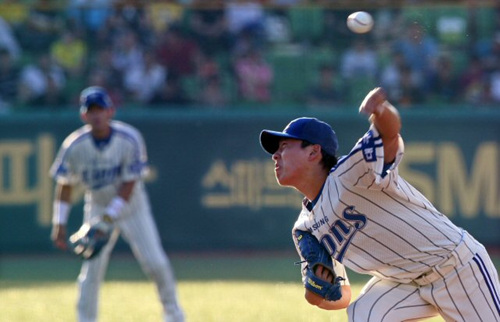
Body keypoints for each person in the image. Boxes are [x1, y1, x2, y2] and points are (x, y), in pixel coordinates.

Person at [259, 87, 500, 321]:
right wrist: (315, 292)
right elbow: (342, 297)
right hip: (405, 283)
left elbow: (390, 134)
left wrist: (381, 111)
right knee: (363, 314)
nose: (275, 156)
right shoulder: (305, 228)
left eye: (284, 147)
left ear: (314, 152)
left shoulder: (351, 173)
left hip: (456, 267)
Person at [49, 86, 184, 322]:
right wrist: (59, 222)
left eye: (100, 109)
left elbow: (129, 185)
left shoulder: (129, 138)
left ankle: (174, 316)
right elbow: (65, 184)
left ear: (110, 111)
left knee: (156, 263)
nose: (96, 115)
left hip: (133, 207)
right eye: (91, 111)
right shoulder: (74, 145)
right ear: (83, 115)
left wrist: (108, 220)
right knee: (91, 272)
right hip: (98, 205)